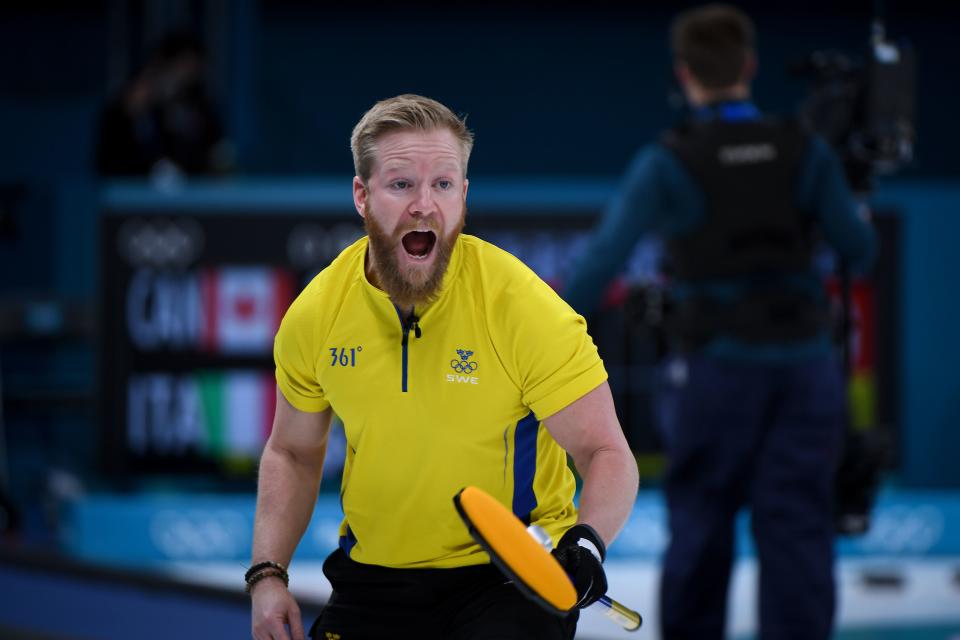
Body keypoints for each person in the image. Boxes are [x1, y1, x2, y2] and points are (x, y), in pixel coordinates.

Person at [248, 94, 639, 640]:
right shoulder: (316, 316)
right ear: (362, 195)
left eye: (443, 184)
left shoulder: (521, 307)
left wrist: (586, 544)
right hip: (374, 580)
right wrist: (268, 575)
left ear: (464, 196)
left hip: (507, 578)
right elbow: (292, 450)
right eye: (402, 184)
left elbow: (607, 453)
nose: (424, 205)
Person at [563, 5, 877, 639]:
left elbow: (595, 273)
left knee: (701, 532)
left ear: (684, 75)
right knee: (797, 535)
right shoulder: (805, 150)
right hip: (802, 372)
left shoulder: (669, 159)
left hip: (713, 374)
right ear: (750, 67)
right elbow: (860, 251)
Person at [95, 30, 233, 179]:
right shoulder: (128, 105)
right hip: (130, 192)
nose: (186, 75)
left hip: (189, 193)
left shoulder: (201, 106)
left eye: (193, 68)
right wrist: (133, 117)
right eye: (182, 65)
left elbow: (215, 153)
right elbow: (108, 161)